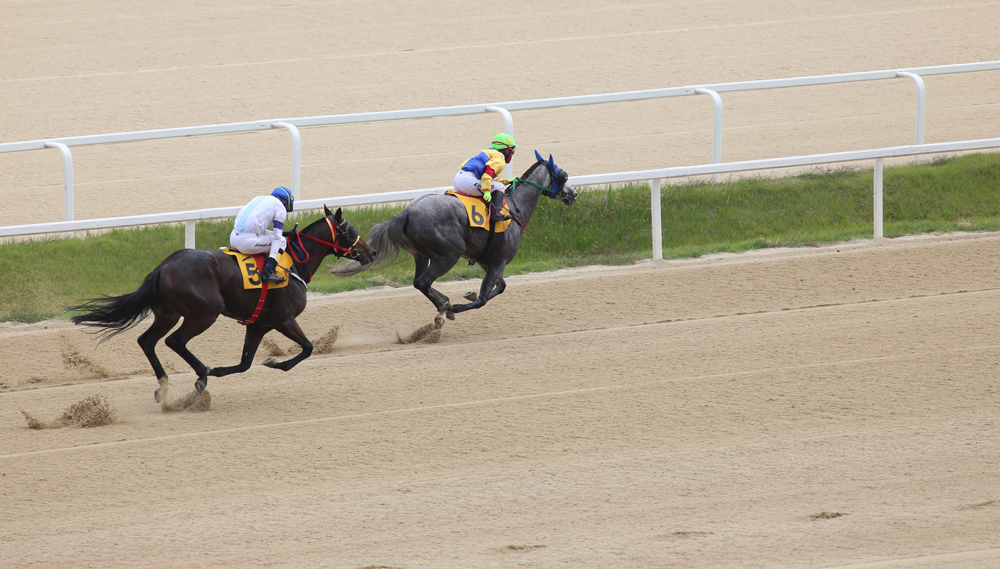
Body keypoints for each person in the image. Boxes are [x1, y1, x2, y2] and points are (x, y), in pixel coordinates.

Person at [230, 186, 294, 284]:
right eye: (287, 207)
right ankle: (268, 271)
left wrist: (284, 233)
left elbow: (259, 230)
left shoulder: (260, 199)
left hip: (233, 239)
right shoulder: (280, 207)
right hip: (245, 243)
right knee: (281, 241)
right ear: (286, 202)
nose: (286, 209)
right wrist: (282, 236)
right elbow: (277, 238)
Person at [453, 132, 516, 222]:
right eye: (512, 151)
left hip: (458, 180)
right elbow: (487, 175)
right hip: (468, 182)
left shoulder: (488, 152)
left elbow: (490, 178)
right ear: (507, 150)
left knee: (497, 184)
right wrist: (487, 191)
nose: (512, 154)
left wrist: (507, 181)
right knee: (500, 187)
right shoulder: (500, 159)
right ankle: (495, 214)